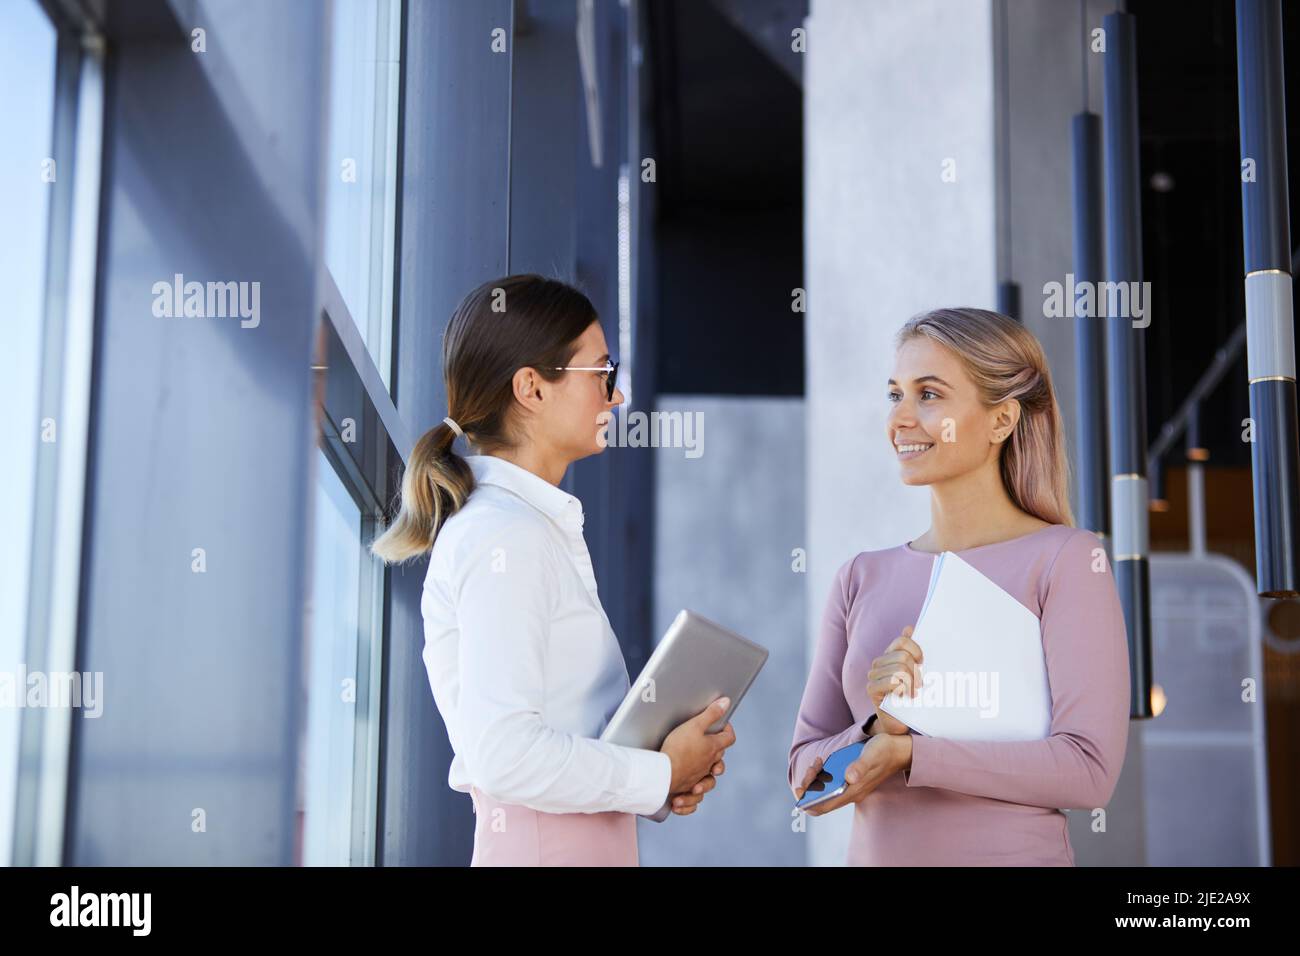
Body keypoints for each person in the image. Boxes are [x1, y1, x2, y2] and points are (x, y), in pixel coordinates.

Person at [371, 274, 734, 866]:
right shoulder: (507, 538)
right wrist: (660, 770)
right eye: (603, 374)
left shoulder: (520, 529)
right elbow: (506, 755)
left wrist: (664, 770)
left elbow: (554, 736)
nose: (616, 397)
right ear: (532, 389)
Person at [788, 307, 1130, 866]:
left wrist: (912, 753)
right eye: (894, 393)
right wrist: (879, 726)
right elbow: (805, 782)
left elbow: (1088, 772)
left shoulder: (1066, 560)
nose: (900, 417)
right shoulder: (860, 577)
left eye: (929, 395)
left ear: (1001, 421)